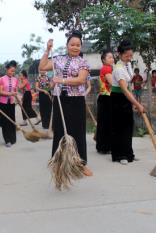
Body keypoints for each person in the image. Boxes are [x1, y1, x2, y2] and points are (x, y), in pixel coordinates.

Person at [39, 30, 93, 176]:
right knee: (60, 131)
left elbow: (81, 80)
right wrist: (47, 50)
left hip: (76, 100)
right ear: (67, 45)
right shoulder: (58, 59)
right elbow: (42, 67)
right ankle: (58, 162)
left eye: (78, 45)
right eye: (72, 44)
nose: (75, 47)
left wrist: (61, 80)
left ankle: (81, 164)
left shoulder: (83, 62)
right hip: (59, 99)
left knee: (78, 132)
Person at [111, 40, 145, 165]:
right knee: (120, 127)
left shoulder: (128, 65)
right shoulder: (118, 68)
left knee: (128, 126)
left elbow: (129, 85)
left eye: (131, 55)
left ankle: (129, 153)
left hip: (126, 97)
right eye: (127, 56)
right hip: (118, 98)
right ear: (120, 54)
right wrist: (137, 104)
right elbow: (124, 90)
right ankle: (120, 155)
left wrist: (133, 102)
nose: (130, 58)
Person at [96, 49, 114, 154]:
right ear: (103, 59)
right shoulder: (107, 68)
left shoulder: (106, 68)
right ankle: (106, 147)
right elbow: (113, 83)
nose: (112, 59)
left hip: (104, 97)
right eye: (109, 57)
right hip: (107, 98)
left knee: (104, 123)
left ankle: (102, 146)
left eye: (112, 57)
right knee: (107, 123)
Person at [0, 60, 19, 147]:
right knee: (5, 121)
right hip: (3, 103)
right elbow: (0, 92)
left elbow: (16, 91)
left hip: (12, 103)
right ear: (7, 70)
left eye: (14, 71)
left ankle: (13, 138)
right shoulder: (1, 79)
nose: (13, 72)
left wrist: (18, 99)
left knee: (12, 120)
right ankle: (7, 140)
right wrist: (10, 94)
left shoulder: (15, 79)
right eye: (11, 71)